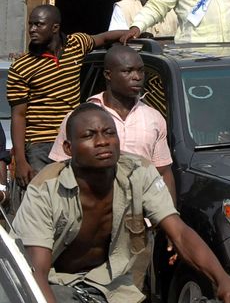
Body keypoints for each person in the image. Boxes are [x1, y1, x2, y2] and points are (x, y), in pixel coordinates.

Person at [12, 103, 230, 303]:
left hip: (112, 284)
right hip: (55, 283)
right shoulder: (45, 187)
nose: (103, 141)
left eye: (109, 133)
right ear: (68, 148)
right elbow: (37, 271)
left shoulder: (138, 171)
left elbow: (179, 232)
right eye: (89, 135)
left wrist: (224, 281)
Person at [6, 5, 130, 187]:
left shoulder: (76, 44)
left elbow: (103, 37)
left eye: (38, 25)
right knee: (45, 200)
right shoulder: (22, 67)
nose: (32, 29)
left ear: (55, 28)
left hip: (72, 139)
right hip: (41, 143)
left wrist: (132, 33)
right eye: (30, 24)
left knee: (77, 198)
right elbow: (18, 115)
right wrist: (21, 160)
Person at [48, 45, 175, 202]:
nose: (137, 77)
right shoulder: (79, 118)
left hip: (139, 213)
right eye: (127, 71)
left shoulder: (154, 118)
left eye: (141, 71)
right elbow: (58, 169)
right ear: (108, 74)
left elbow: (163, 172)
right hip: (90, 209)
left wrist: (168, 216)